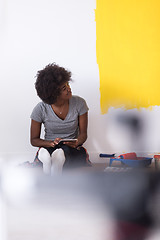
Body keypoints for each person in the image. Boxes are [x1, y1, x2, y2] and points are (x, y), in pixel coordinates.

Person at [30, 63, 90, 175]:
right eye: (64, 88)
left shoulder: (79, 103)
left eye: (67, 84)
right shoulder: (40, 109)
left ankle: (55, 159)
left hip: (70, 147)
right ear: (54, 93)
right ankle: (47, 158)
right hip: (49, 146)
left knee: (70, 152)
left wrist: (77, 142)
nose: (69, 88)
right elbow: (34, 140)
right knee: (51, 151)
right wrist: (51, 143)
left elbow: (83, 134)